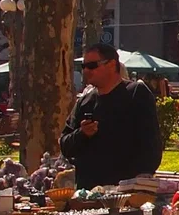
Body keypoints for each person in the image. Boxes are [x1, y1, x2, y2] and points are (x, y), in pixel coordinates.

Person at [59, 43, 164, 190]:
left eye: (92, 65)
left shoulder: (136, 93)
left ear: (111, 64)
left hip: (126, 191)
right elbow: (65, 145)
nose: (86, 71)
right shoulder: (84, 101)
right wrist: (82, 134)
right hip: (88, 193)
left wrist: (140, 182)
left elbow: (151, 144)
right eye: (83, 67)